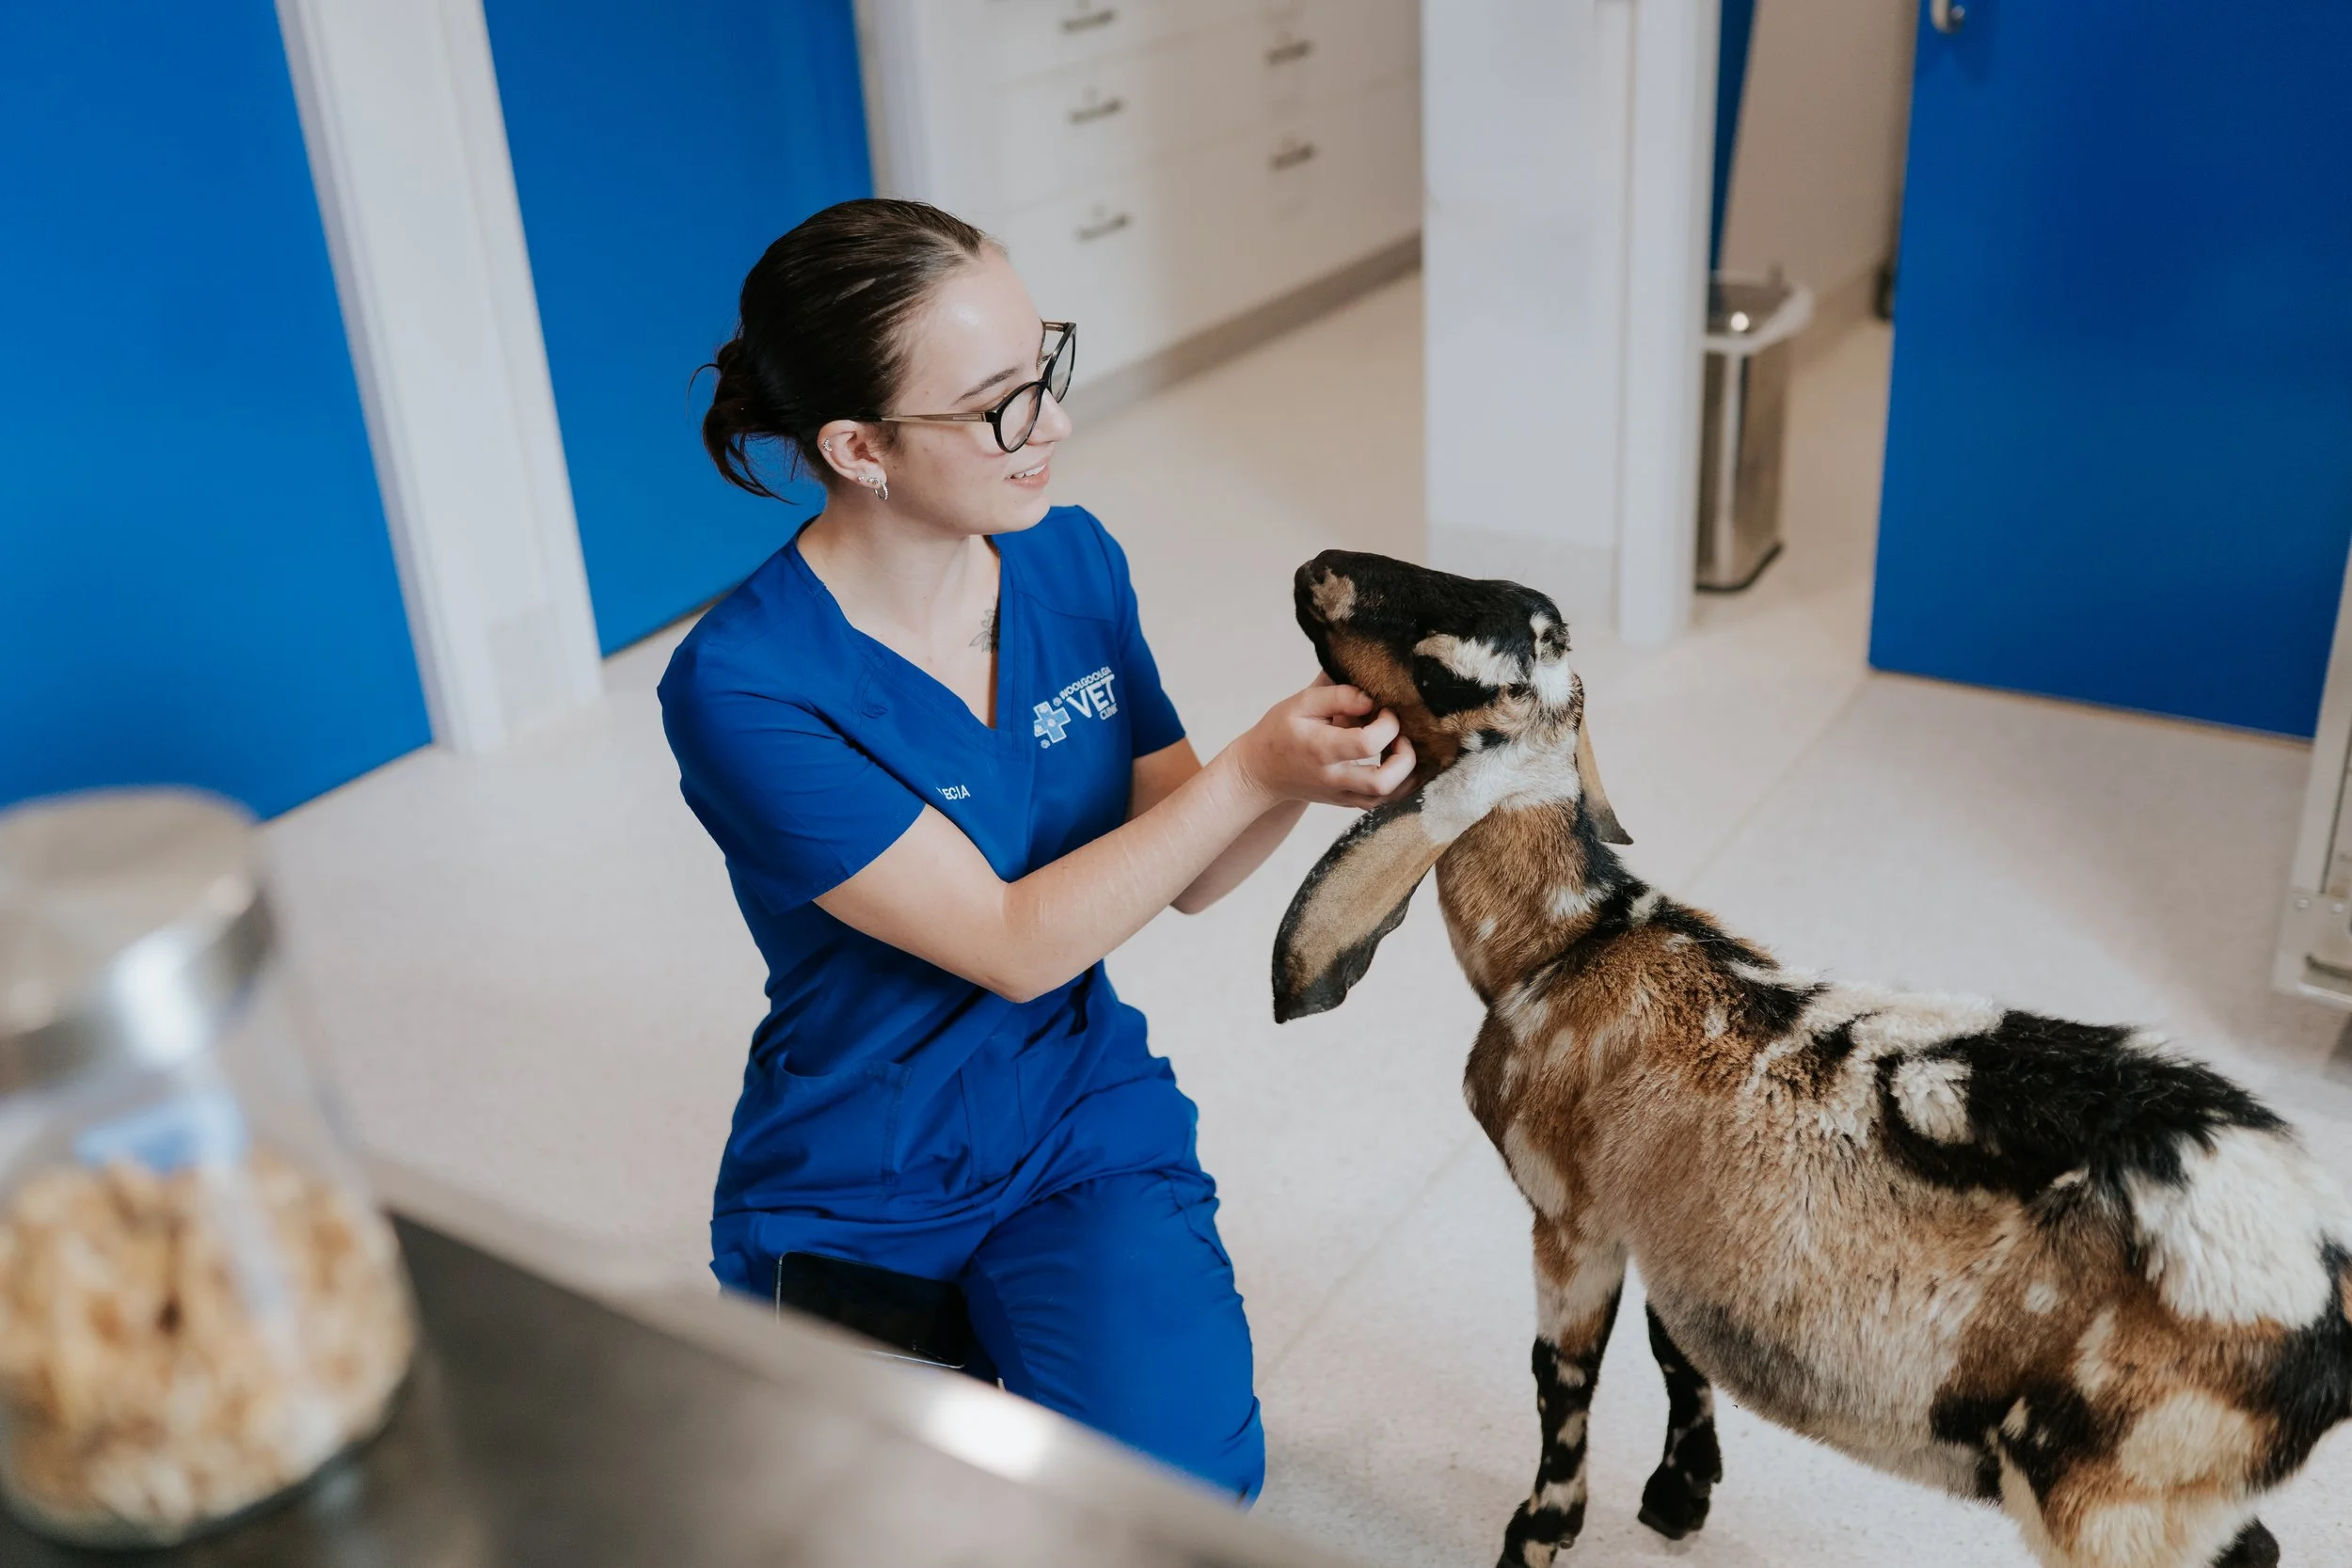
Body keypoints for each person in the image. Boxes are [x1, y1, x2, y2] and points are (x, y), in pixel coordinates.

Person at [659, 198, 1413, 1501]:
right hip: (861, 1162)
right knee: (857, 1515)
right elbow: (1013, 943)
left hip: (1071, 1115)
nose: (1053, 425)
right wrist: (1252, 769)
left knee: (1183, 1494)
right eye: (1000, 402)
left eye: (1045, 367)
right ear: (861, 446)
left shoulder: (1065, 559)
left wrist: (1308, 767)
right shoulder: (745, 684)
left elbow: (1193, 866)